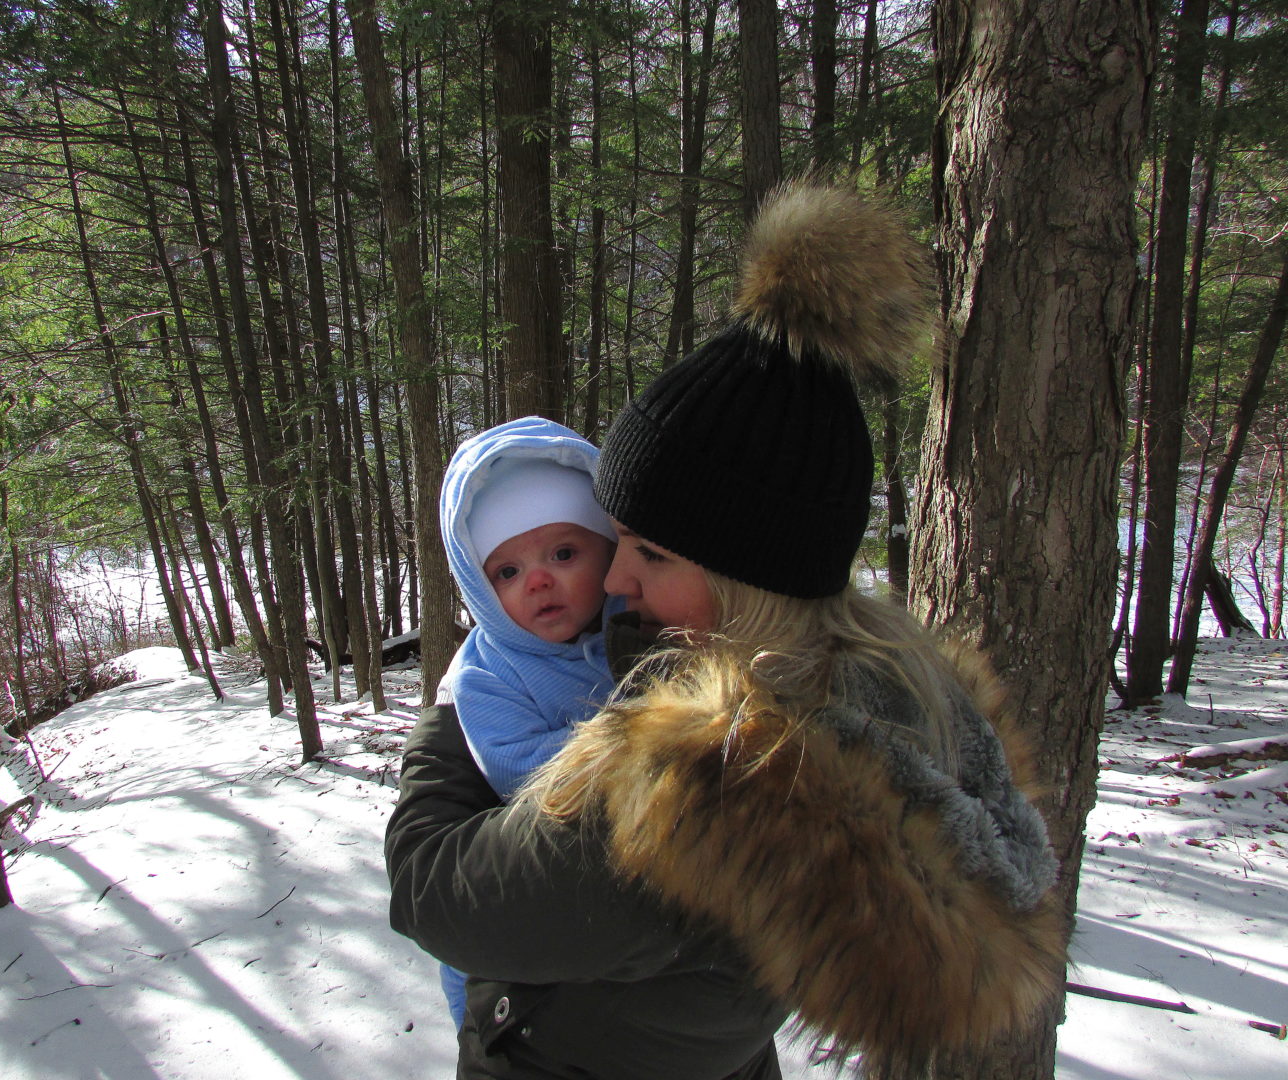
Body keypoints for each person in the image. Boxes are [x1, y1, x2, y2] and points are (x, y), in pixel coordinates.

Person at [386, 184, 1065, 1079]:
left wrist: (443, 722)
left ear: (751, 577)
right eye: (616, 541)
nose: (615, 584)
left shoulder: (713, 784)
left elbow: (433, 893)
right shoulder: (884, 695)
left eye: (651, 553)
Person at [432, 415, 622, 1025]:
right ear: (480, 589)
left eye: (563, 553)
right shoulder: (486, 672)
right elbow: (517, 767)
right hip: (515, 909)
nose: (538, 580)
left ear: (611, 548)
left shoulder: (642, 633)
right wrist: (635, 739)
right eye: (506, 573)